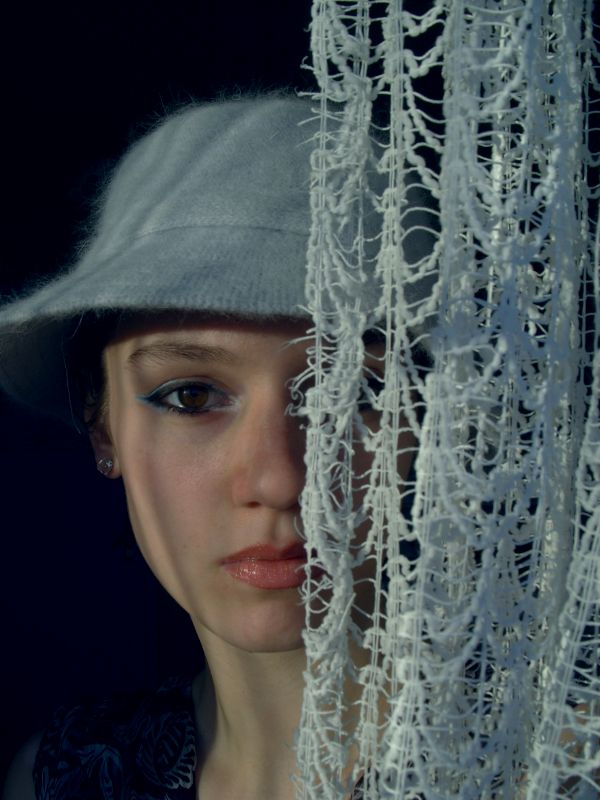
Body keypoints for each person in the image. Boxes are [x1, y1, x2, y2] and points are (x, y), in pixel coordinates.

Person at [0, 94, 421, 800]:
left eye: (350, 394)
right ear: (103, 427)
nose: (280, 480)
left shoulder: (557, 769)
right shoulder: (60, 778)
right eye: (191, 396)